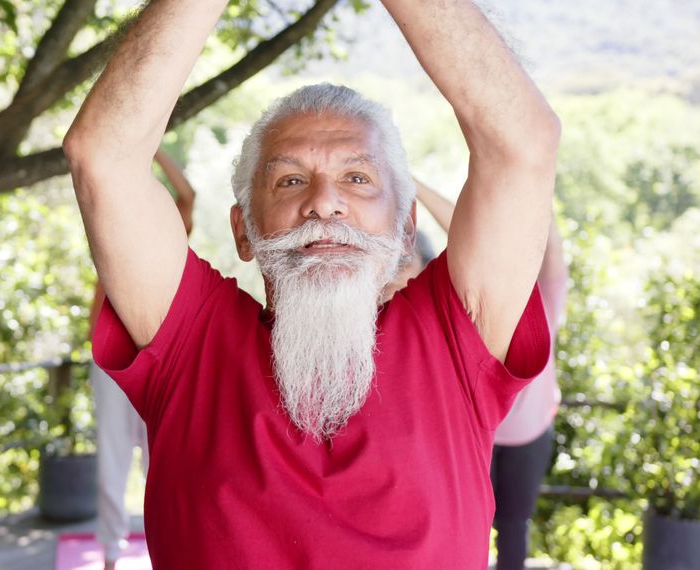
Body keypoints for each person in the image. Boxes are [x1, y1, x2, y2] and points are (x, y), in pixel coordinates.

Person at [63, 0, 560, 567]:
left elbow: (522, 143)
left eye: (357, 177)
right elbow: (102, 156)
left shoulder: (456, 339)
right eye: (290, 179)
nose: (324, 202)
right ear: (243, 233)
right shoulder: (190, 344)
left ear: (405, 233)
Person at [399, 178, 569, 569]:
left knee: (513, 527)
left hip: (528, 434)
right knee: (466, 526)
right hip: (476, 433)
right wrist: (412, 185)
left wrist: (534, 188)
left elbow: (552, 246)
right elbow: (464, 232)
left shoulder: (544, 295)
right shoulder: (473, 298)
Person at [87, 149, 195, 570]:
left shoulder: (170, 243)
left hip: (159, 361)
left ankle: (162, 555)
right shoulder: (110, 237)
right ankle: (111, 557)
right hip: (113, 365)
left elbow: (187, 195)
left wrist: (154, 151)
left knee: (163, 463)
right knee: (112, 460)